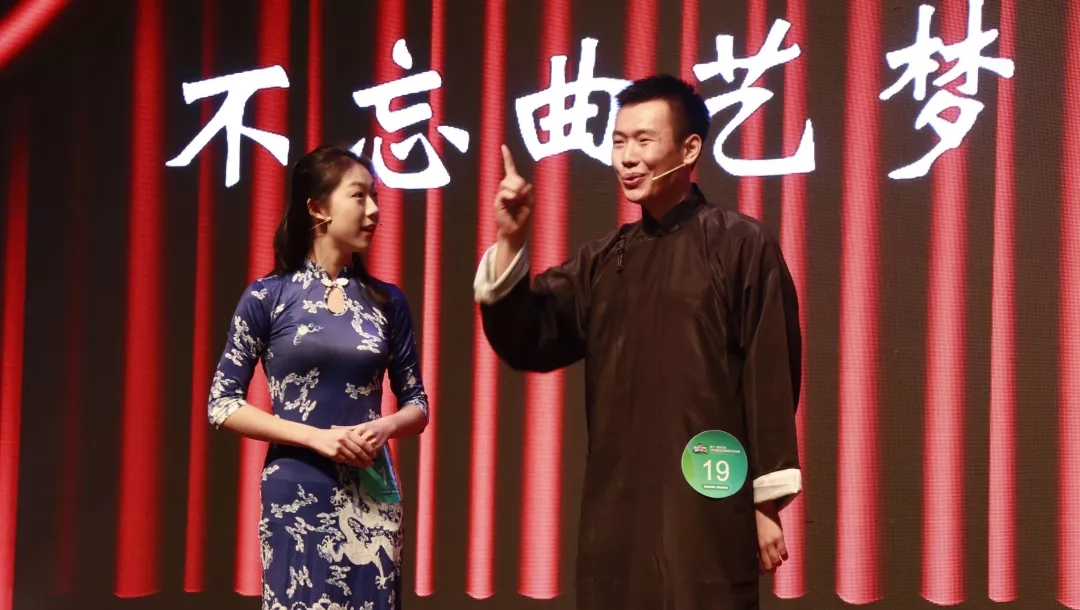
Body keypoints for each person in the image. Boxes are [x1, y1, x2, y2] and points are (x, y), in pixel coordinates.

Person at [473, 74, 802, 609]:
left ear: (689, 149)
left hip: (706, 508)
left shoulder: (740, 243)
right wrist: (510, 238)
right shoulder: (605, 260)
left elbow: (770, 374)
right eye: (619, 142)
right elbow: (529, 333)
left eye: (644, 141)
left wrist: (764, 502)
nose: (627, 157)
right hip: (617, 512)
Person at [208, 145, 429, 609]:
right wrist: (315, 438)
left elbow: (418, 406)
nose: (374, 210)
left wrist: (384, 427)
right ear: (317, 208)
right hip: (296, 494)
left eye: (375, 197)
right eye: (359, 196)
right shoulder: (267, 297)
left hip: (372, 494)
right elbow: (222, 404)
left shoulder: (388, 302)